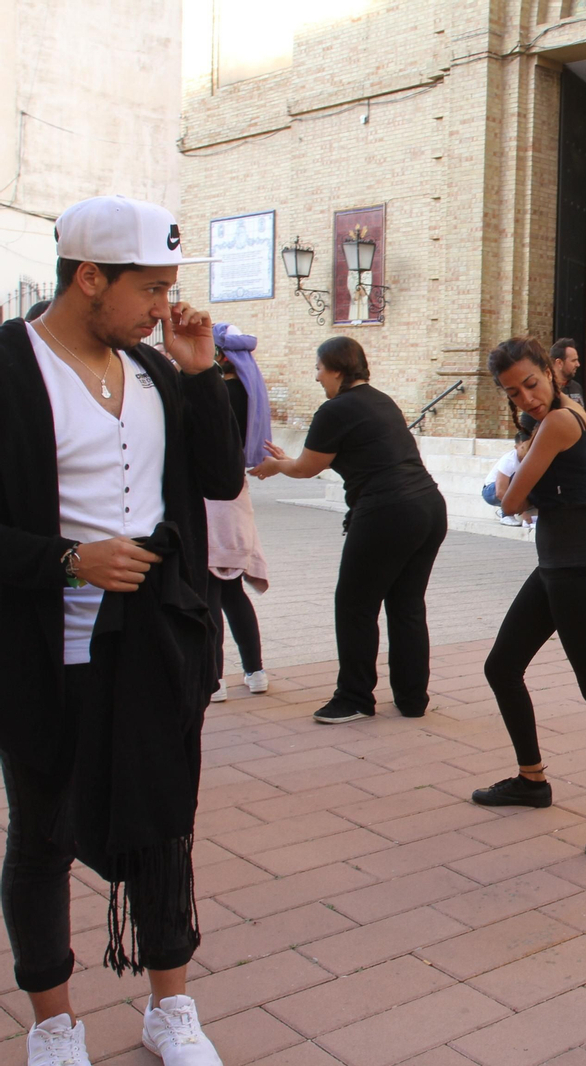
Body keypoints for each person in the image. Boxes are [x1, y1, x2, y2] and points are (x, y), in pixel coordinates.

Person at [0, 195, 245, 1066]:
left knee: (162, 827)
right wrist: (70, 561)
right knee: (42, 837)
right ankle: (55, 1023)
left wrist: (198, 371)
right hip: (46, 653)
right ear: (88, 276)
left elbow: (218, 477)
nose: (162, 305)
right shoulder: (10, 368)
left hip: (156, 649)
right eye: (150, 287)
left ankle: (169, 1008)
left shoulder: (151, 368)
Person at [472, 337, 586, 857]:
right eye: (513, 393)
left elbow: (508, 500)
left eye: (531, 384)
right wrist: (583, 520)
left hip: (573, 573)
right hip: (562, 565)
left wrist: (527, 477)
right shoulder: (574, 415)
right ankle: (532, 781)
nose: (525, 398)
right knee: (501, 666)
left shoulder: (557, 422)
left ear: (551, 372)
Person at [249, 337, 449, 723]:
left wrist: (278, 466)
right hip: (427, 506)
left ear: (337, 369)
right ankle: (412, 699)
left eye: (320, 368)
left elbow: (307, 467)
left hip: (387, 512)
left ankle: (355, 697)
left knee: (355, 604)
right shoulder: (381, 400)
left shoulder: (335, 409)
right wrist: (290, 461)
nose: (317, 376)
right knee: (406, 605)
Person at [208, 322, 271, 702]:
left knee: (209, 591)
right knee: (231, 590)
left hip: (209, 495)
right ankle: (255, 670)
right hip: (235, 493)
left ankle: (214, 679)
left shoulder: (216, 390)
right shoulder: (249, 391)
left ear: (220, 355)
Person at [483, 428, 534, 526]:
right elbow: (500, 492)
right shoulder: (509, 460)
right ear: (516, 447)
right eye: (524, 448)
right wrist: (523, 513)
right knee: (516, 477)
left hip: (511, 491)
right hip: (491, 491)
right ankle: (506, 515)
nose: (527, 452)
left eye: (531, 448)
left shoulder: (532, 459)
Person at [552, 336, 585, 407]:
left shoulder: (576, 387)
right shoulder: (546, 389)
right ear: (559, 363)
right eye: (573, 361)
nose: (578, 364)